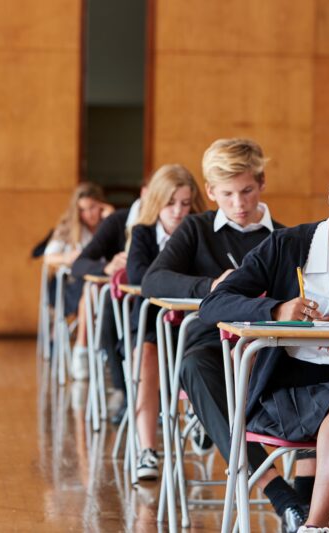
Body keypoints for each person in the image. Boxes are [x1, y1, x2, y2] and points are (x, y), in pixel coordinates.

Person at [200, 124, 329, 533]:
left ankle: (314, 529)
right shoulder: (288, 245)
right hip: (289, 392)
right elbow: (215, 303)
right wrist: (277, 309)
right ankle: (316, 527)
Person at [141, 138, 315, 530]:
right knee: (192, 366)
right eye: (228, 195)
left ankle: (307, 502)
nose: (239, 203)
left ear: (262, 183)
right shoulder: (197, 229)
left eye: (247, 191)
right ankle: (281, 496)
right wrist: (212, 287)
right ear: (211, 192)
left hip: (272, 354)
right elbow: (153, 280)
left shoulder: (285, 238)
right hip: (213, 355)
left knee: (320, 369)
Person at [125, 163, 206, 480]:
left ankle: (202, 414)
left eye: (185, 203)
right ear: (156, 201)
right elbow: (139, 277)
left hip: (192, 323)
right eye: (171, 203)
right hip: (151, 324)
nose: (178, 211)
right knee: (147, 355)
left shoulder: (200, 230)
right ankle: (148, 449)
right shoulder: (143, 233)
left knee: (204, 350)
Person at [44, 182, 113, 380]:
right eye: (83, 209)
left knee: (98, 290)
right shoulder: (69, 227)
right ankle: (82, 349)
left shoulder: (108, 226)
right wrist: (68, 258)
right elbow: (49, 257)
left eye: (93, 207)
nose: (89, 214)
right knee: (90, 289)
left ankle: (93, 350)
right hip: (74, 285)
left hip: (104, 284)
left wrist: (111, 216)